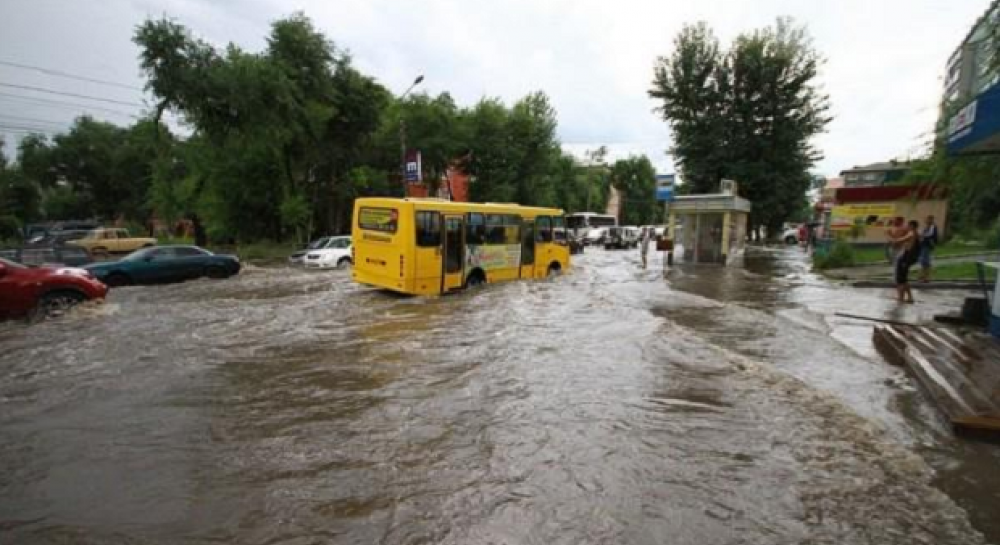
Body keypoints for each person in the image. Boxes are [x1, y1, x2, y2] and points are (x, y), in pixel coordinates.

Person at [890, 220, 920, 304]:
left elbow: (899, 241)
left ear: (912, 226)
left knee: (900, 279)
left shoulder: (911, 233)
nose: (906, 227)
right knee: (904, 278)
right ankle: (910, 298)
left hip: (906, 258)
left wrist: (891, 237)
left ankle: (901, 298)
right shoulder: (916, 234)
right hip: (909, 258)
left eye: (908, 225)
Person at [918, 215, 938, 282]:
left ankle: (926, 277)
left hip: (928, 245)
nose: (926, 221)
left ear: (931, 220)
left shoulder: (933, 227)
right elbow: (921, 233)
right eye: (926, 219)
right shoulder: (925, 227)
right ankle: (923, 276)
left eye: (928, 219)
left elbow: (930, 234)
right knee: (923, 261)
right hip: (923, 245)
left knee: (926, 261)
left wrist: (922, 235)